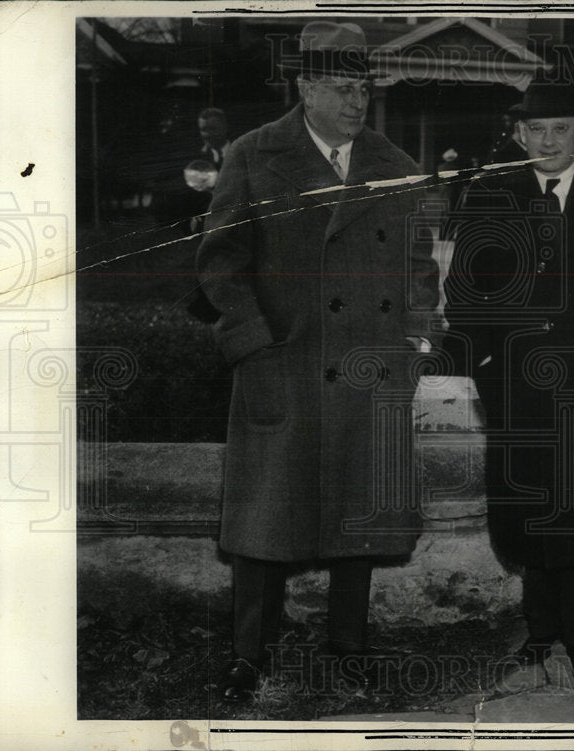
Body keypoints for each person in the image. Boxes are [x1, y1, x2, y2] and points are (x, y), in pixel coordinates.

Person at [195, 21, 440, 704]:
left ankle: (350, 644)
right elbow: (220, 264)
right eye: (341, 87)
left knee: (358, 517)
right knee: (264, 520)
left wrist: (415, 343)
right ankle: (249, 651)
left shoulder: (392, 161)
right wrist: (253, 344)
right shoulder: (254, 153)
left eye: (362, 87)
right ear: (304, 86)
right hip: (285, 365)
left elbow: (420, 265)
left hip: (368, 370)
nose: (356, 101)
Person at [444, 71, 574, 688]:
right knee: (531, 504)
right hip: (519, 385)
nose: (549, 139)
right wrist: (481, 367)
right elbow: (466, 292)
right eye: (537, 128)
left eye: (561, 128)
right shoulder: (490, 195)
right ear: (520, 133)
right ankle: (538, 631)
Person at [184, 107, 231, 323]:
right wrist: (193, 217)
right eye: (203, 130)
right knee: (208, 264)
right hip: (208, 223)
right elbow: (190, 193)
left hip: (235, 219)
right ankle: (209, 309)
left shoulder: (240, 153)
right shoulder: (196, 158)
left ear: (225, 128)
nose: (207, 134)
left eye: (212, 128)